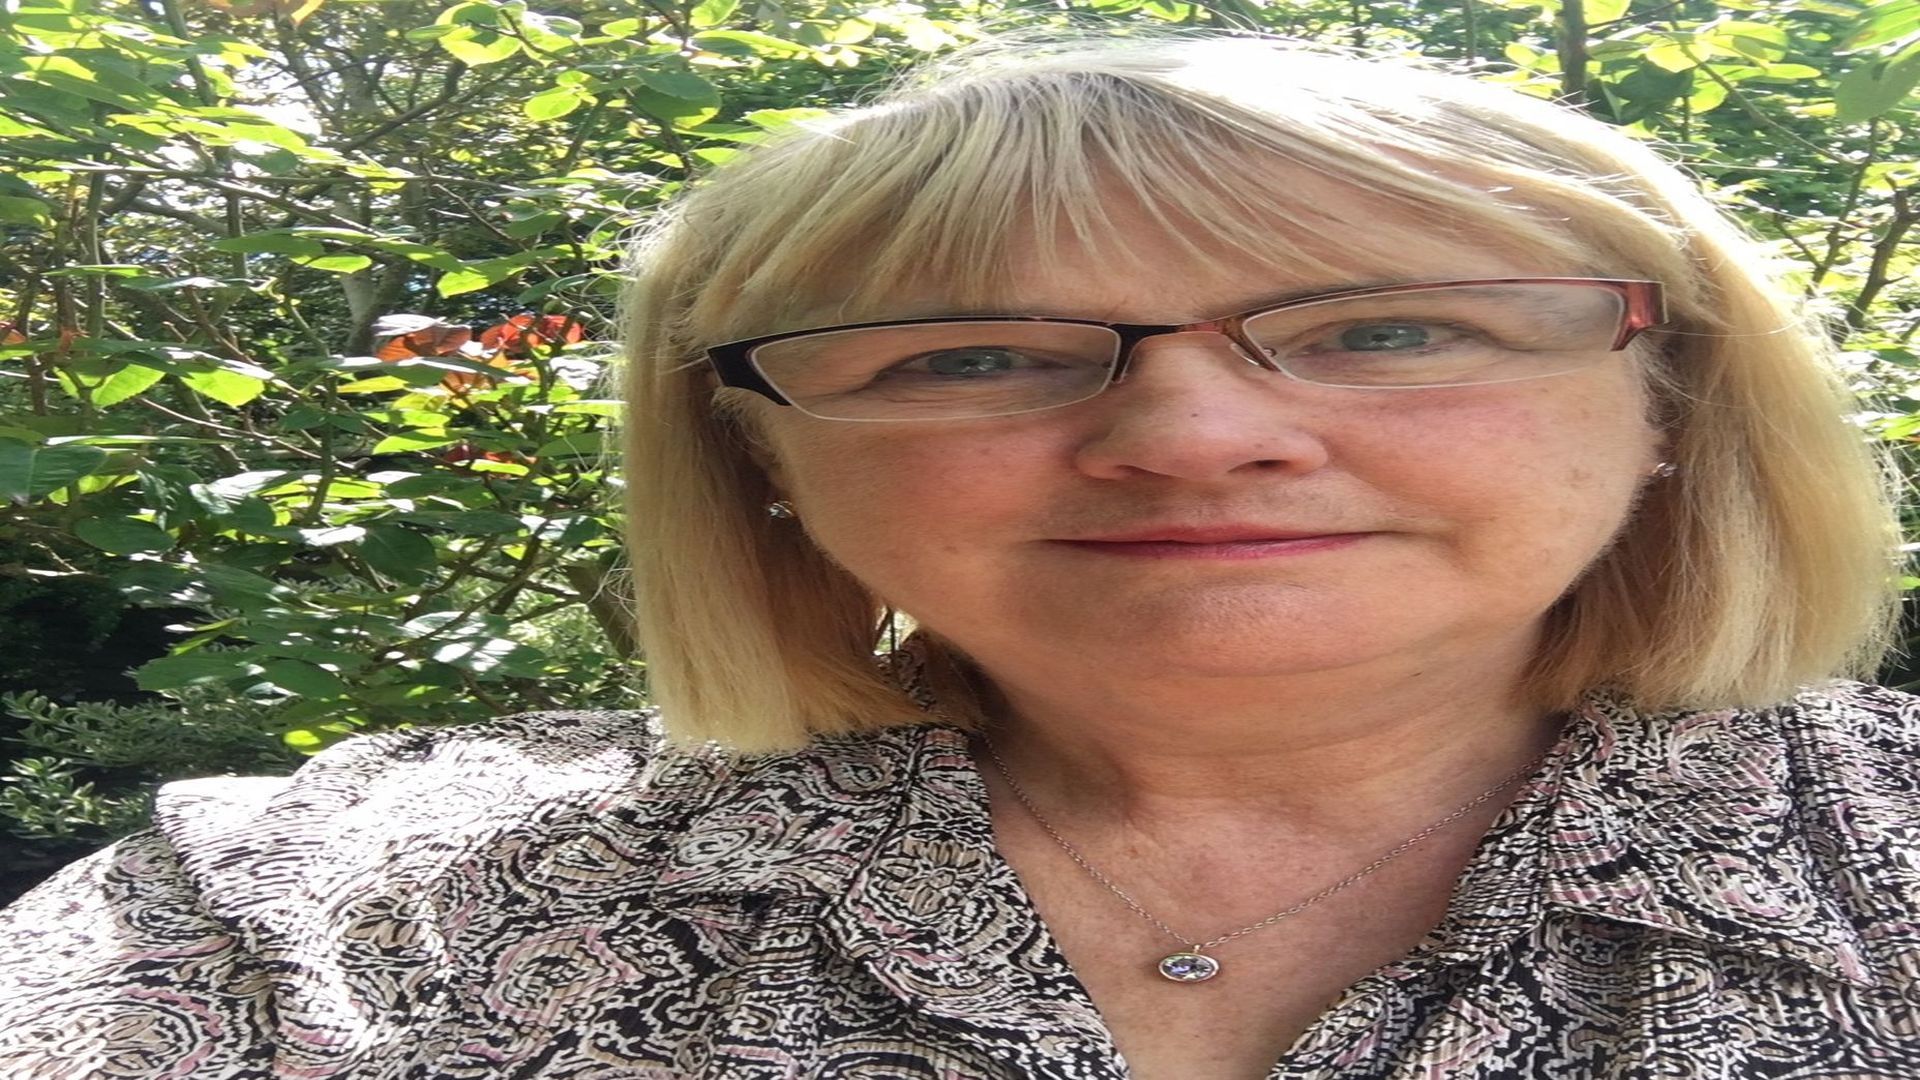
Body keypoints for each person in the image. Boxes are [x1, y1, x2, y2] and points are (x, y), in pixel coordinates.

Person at [2, 33, 1916, 1080]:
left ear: (1672, 404)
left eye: (1393, 327)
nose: (1194, 434)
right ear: (761, 461)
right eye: (972, 355)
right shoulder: (341, 916)